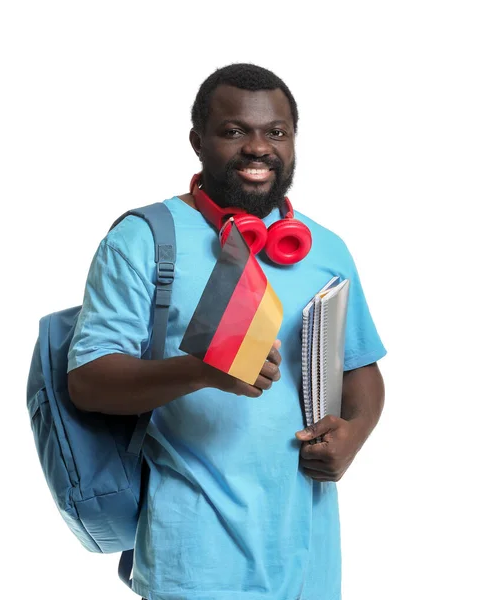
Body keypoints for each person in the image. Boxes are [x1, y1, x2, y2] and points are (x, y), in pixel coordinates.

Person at [67, 63, 386, 600]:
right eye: (235, 130)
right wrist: (201, 371)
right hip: (193, 564)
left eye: (276, 132)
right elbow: (89, 381)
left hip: (311, 565)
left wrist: (354, 433)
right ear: (198, 141)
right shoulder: (146, 239)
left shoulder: (325, 247)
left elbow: (361, 371)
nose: (258, 147)